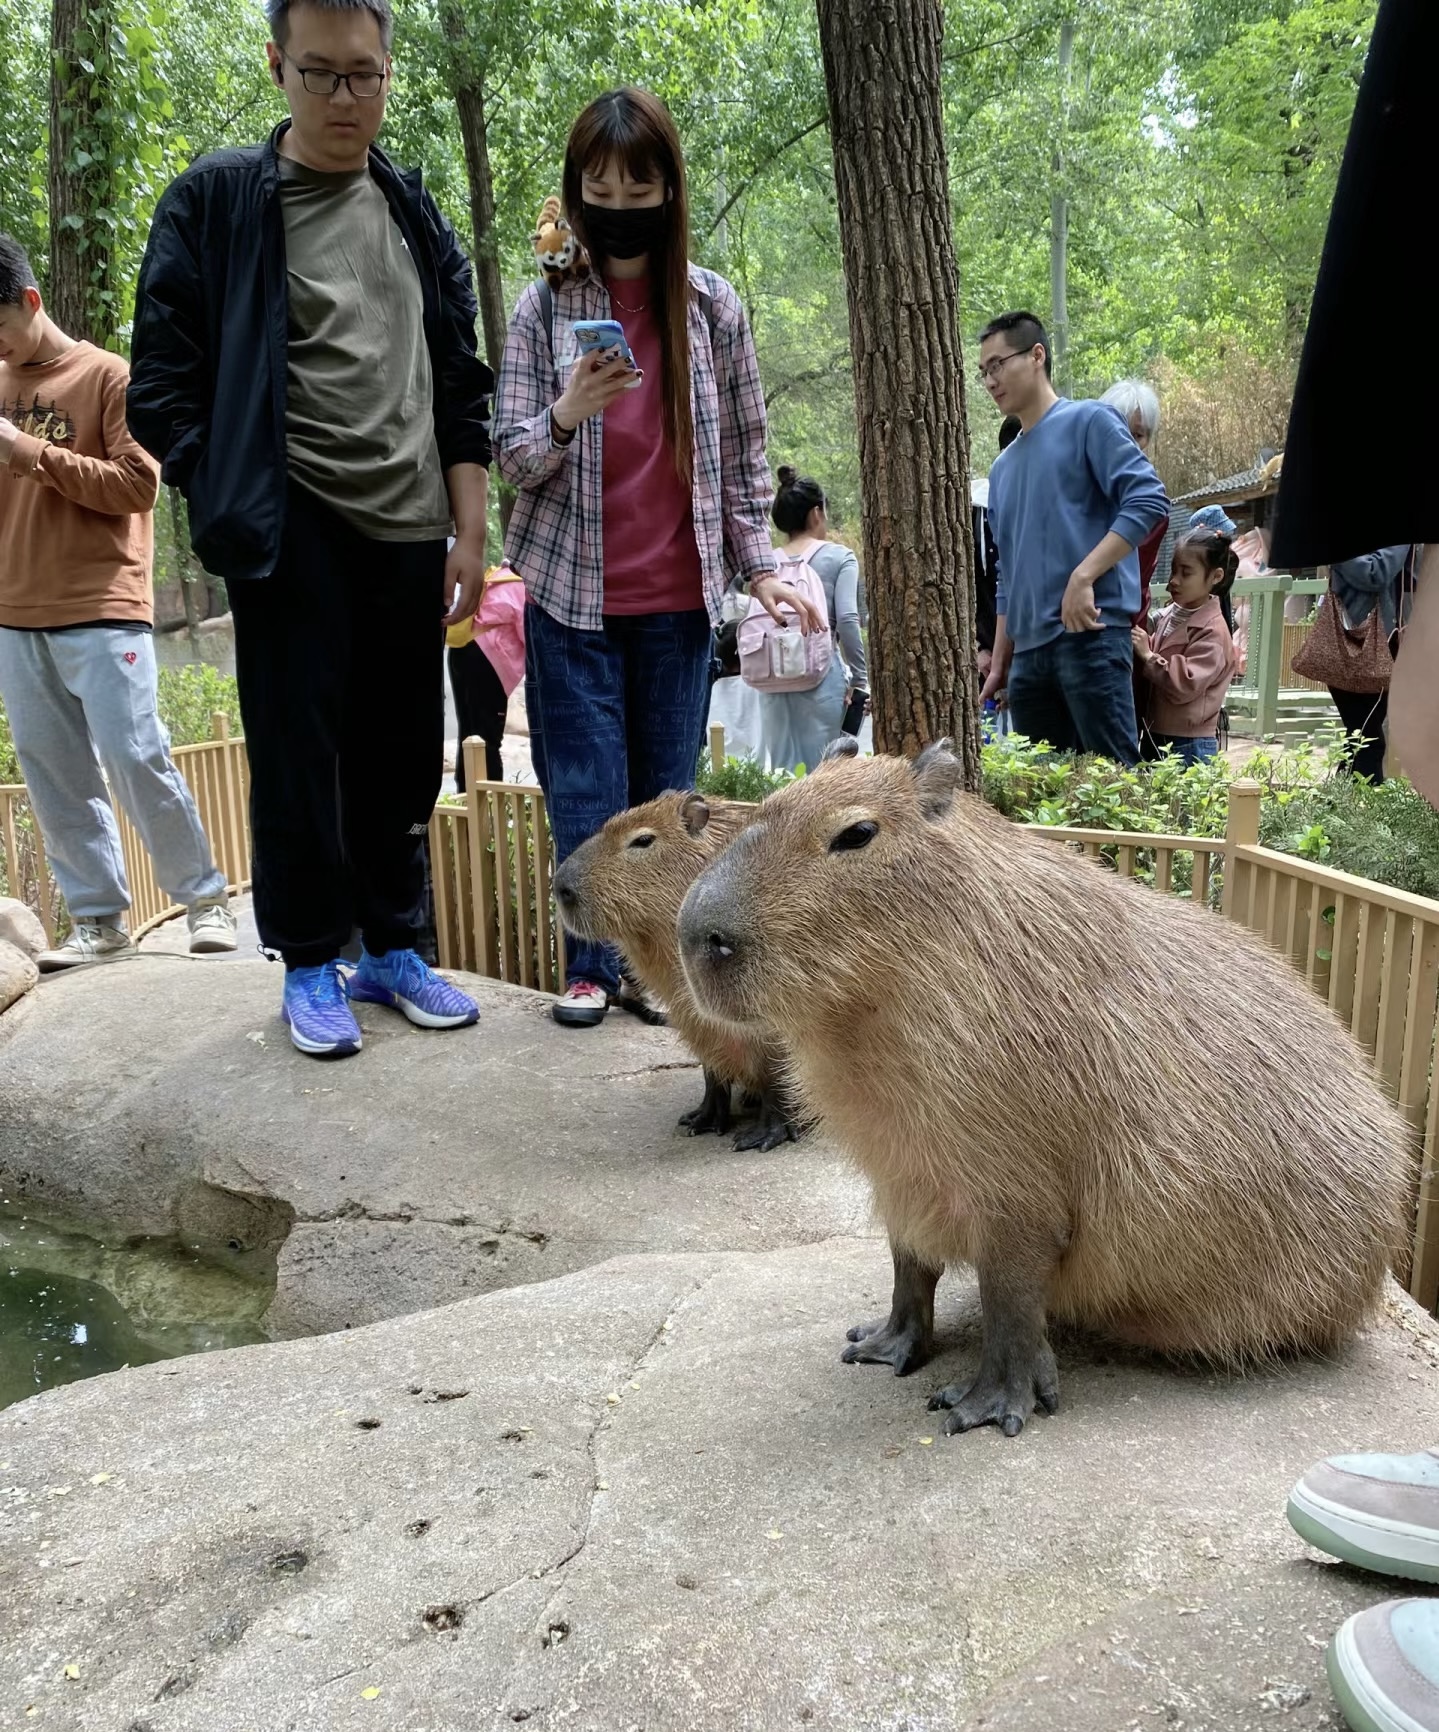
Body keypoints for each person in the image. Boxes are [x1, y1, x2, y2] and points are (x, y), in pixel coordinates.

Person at [128, 0, 493, 1059]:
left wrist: (468, 531)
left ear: (388, 72)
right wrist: (232, 483)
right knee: (297, 747)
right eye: (322, 74)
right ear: (277, 64)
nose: (346, 98)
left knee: (397, 747)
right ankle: (304, 957)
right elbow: (161, 387)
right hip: (292, 520)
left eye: (366, 76)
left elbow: (459, 383)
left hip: (409, 519)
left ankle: (392, 945)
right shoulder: (216, 204)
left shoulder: (414, 209)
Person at [494, 87, 811, 1028]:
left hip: (675, 607)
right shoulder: (541, 309)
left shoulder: (712, 308)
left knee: (666, 811)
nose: (617, 205)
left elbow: (749, 457)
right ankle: (591, 965)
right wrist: (566, 413)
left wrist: (760, 569)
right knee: (587, 793)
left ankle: (656, 973)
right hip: (568, 600)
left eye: (638, 187)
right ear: (574, 192)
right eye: (597, 187)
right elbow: (510, 450)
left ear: (669, 191)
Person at [0, 235, 236, 970]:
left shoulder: (109, 377)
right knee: (53, 772)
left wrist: (28, 451)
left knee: (137, 755)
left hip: (103, 605)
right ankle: (98, 921)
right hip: (15, 610)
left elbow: (139, 485)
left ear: (30, 302)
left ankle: (205, 900)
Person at [977, 311, 1169, 765]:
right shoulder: (1002, 470)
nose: (990, 380)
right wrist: (1002, 661)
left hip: (1091, 638)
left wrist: (1084, 576)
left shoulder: (1090, 421)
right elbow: (1007, 574)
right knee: (1044, 795)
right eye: (984, 371)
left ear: (1037, 355)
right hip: (1028, 660)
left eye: (998, 364)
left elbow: (1147, 498)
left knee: (1115, 784)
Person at [755, 468, 867, 774]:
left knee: (781, 774)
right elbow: (847, 618)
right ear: (817, 513)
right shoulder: (839, 557)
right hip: (821, 678)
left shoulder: (764, 563)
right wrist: (860, 678)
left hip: (772, 676)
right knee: (824, 776)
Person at [1131, 520, 1239, 766]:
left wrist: (1148, 656)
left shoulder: (1212, 629)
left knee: (1182, 805)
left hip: (1188, 743)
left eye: (1186, 572)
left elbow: (1187, 683)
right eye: (1173, 571)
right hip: (1157, 732)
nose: (1174, 581)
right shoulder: (1172, 613)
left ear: (1216, 576)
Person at [1314, 545, 1413, 782]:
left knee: (1364, 735)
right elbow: (1373, 572)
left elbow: (1376, 572)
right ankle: (1351, 808)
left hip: (1377, 643)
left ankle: (1343, 806)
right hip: (1342, 639)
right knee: (1363, 735)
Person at [1099, 379, 1168, 625]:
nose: (1128, 442)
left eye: (1137, 435)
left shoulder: (1150, 500)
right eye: (1120, 431)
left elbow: (1140, 574)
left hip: (1123, 624)